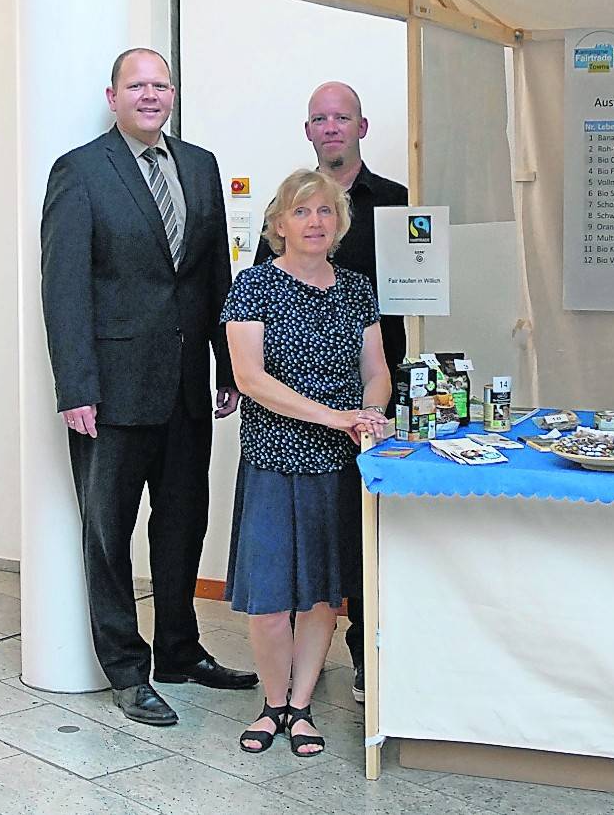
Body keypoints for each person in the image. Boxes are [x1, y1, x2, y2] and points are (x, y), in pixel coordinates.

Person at [40, 48, 258, 727]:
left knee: (183, 525)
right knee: (108, 534)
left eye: (160, 85)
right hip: (110, 392)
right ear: (113, 96)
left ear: (172, 94)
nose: (150, 95)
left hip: (188, 386)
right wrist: (76, 385)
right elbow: (64, 288)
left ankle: (179, 650)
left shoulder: (199, 165)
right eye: (137, 85)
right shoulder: (79, 171)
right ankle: (128, 672)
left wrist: (228, 366)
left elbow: (211, 276)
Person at [223, 168, 391, 756]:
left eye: (324, 211)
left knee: (323, 596)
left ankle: (301, 706)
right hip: (273, 457)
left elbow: (376, 371)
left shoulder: (356, 289)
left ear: (339, 222)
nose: (314, 222)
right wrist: (335, 416)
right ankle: (271, 704)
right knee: (270, 599)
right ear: (278, 224)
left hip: (336, 466)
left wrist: (368, 413)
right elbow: (250, 379)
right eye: (301, 212)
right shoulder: (252, 287)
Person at [253, 80, 406, 702]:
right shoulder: (262, 274)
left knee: (360, 540)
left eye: (343, 117)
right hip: (292, 426)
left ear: (362, 127)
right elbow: (250, 366)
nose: (332, 127)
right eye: (320, 118)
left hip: (373, 399)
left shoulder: (395, 202)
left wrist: (373, 406)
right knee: (293, 565)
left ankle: (365, 658)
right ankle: (284, 694)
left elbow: (413, 290)